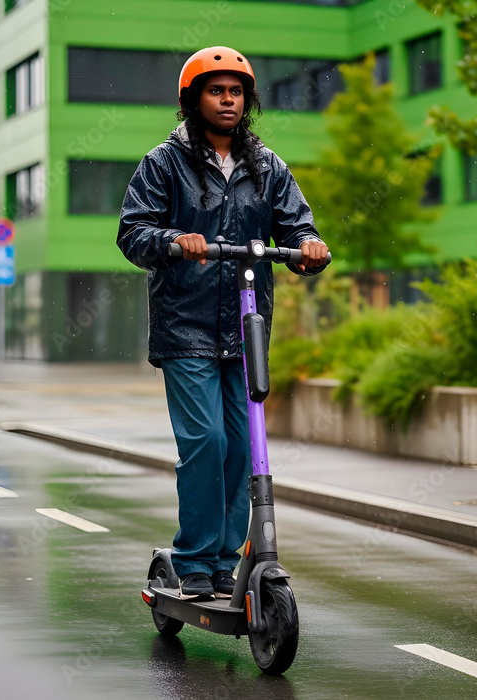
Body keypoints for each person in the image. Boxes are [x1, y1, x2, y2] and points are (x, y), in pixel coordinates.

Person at [116, 46, 330, 600]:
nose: (227, 99)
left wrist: (308, 245)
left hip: (246, 325)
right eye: (216, 90)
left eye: (235, 91)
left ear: (247, 100)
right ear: (193, 100)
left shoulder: (267, 167)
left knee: (243, 445)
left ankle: (221, 559)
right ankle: (192, 556)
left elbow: (297, 223)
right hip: (184, 328)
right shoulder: (163, 164)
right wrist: (172, 240)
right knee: (206, 441)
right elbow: (132, 232)